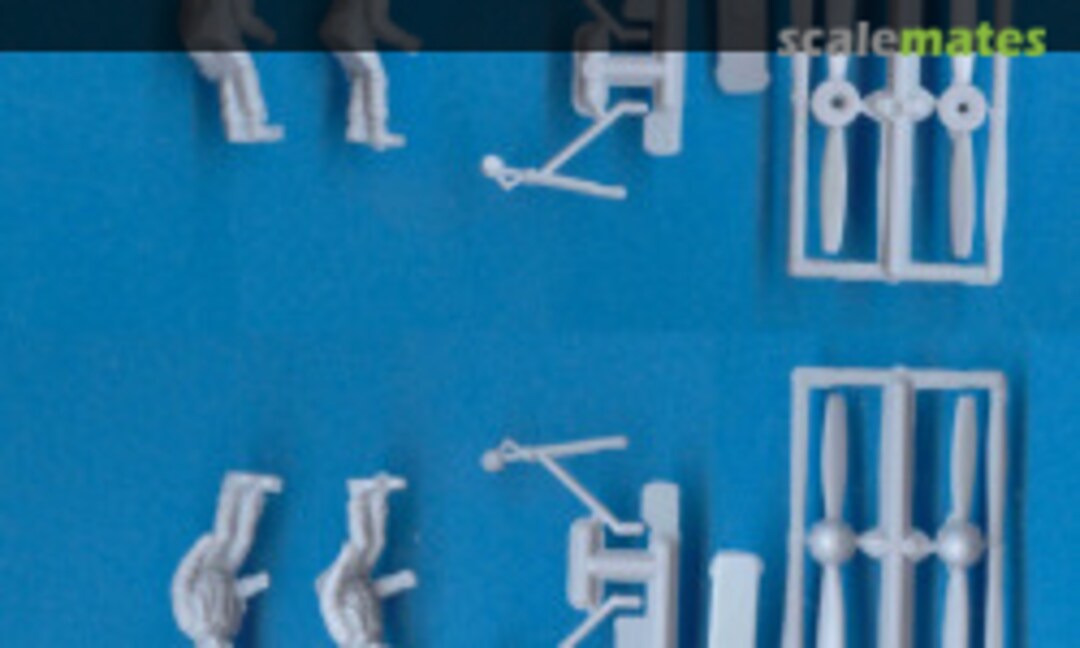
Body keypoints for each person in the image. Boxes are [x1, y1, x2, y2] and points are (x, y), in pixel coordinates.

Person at [172, 472, 283, 648]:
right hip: (228, 570)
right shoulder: (229, 627)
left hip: (207, 565)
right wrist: (255, 584)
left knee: (224, 535)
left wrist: (198, 549)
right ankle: (255, 493)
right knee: (243, 540)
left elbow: (182, 581)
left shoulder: (188, 621)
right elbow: (235, 594)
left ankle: (233, 487)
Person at [317, 474, 417, 647]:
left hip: (340, 581)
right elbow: (372, 593)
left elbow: (328, 598)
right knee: (378, 543)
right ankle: (380, 495)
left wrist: (342, 561)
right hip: (359, 579)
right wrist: (398, 582)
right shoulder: (374, 631)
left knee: (361, 543)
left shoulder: (343, 633)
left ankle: (357, 495)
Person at [321, 0, 421, 149]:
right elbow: (377, 23)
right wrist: (406, 41)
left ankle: (356, 127)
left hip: (332, 33)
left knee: (360, 76)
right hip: (352, 35)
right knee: (376, 78)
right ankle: (377, 132)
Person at [181, 0, 284, 143]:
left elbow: (186, 17)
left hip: (195, 43)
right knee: (245, 73)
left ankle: (234, 128)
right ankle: (254, 124)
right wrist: (267, 34)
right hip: (221, 41)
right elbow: (244, 19)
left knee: (228, 75)